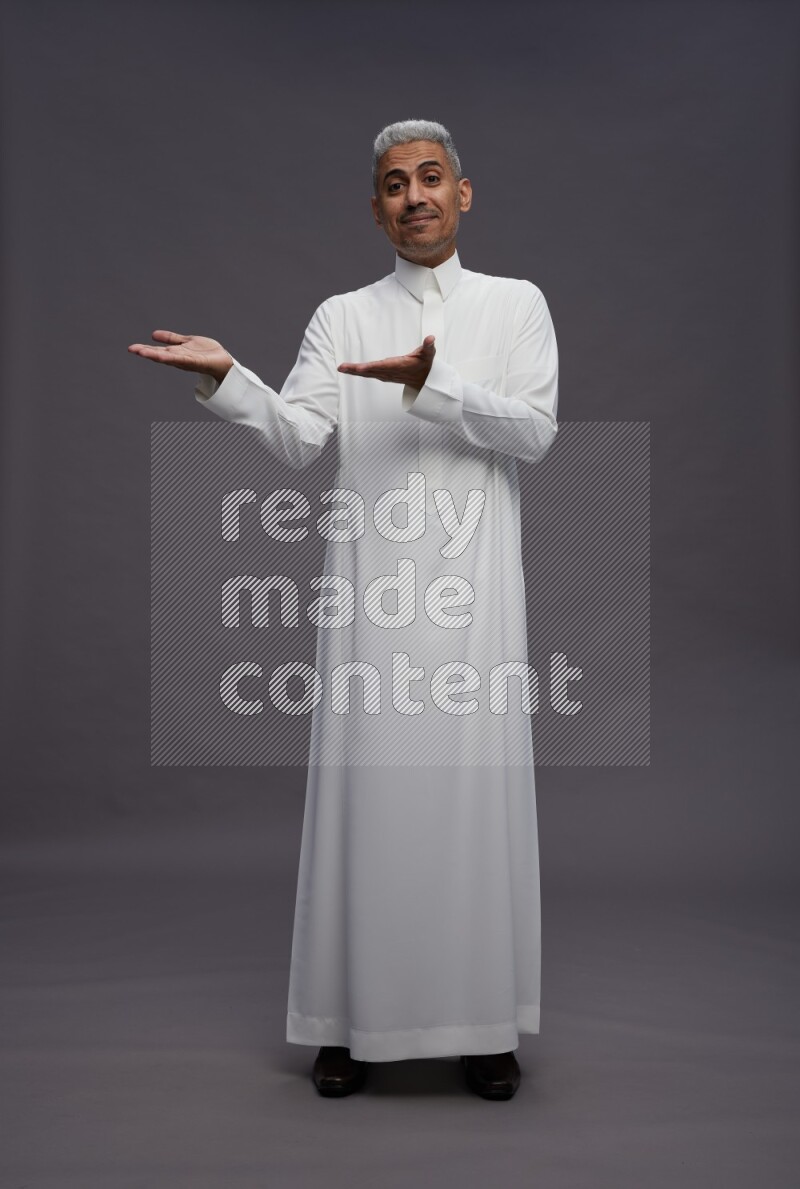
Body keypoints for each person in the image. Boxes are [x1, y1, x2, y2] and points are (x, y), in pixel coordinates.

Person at [129, 118, 559, 1100]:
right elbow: (295, 437)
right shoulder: (341, 316)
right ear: (375, 208)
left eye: (430, 178)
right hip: (370, 602)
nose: (413, 196)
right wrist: (226, 379)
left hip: (474, 604)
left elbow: (532, 431)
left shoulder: (514, 306)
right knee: (366, 807)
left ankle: (482, 1025)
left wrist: (434, 383)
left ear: (462, 194)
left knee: (471, 807)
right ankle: (348, 1021)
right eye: (394, 184)